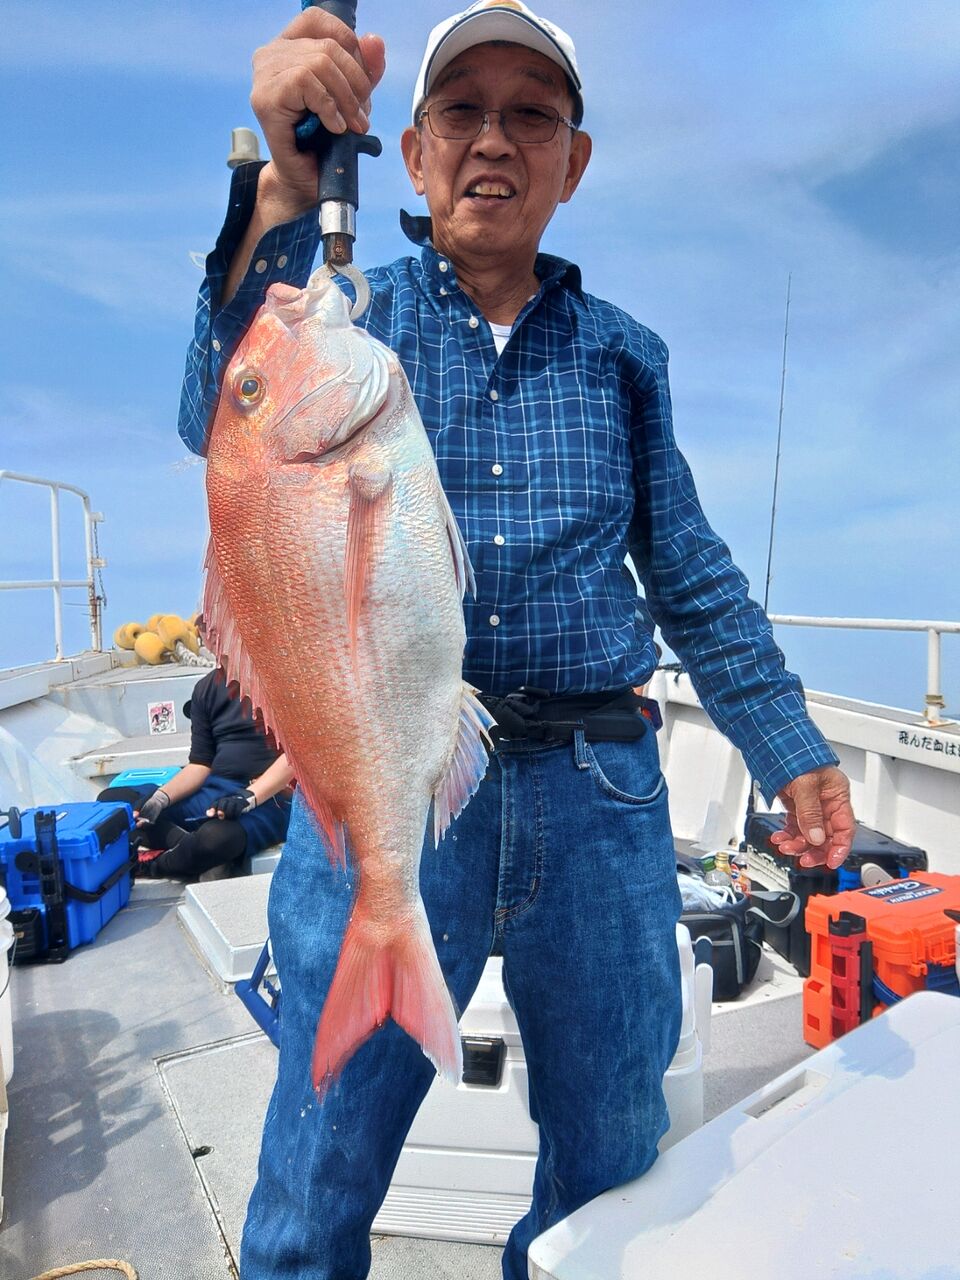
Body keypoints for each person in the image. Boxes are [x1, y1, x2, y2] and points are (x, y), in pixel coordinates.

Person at [177, 4, 857, 1276]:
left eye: (530, 115)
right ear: (413, 155)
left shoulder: (624, 356)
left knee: (612, 1163)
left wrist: (787, 739)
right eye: (461, 112)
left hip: (599, 795)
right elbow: (220, 398)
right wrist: (278, 191)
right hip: (381, 778)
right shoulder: (348, 315)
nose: (493, 139)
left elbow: (688, 568)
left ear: (572, 162)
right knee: (314, 1171)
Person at [99, 669, 294, 879]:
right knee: (114, 803)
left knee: (215, 837)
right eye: (203, 632)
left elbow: (298, 756)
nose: (210, 635)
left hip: (271, 797)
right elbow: (200, 764)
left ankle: (157, 865)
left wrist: (248, 797)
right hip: (214, 790)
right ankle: (192, 851)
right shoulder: (206, 688)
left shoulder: (284, 680)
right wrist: (160, 799)